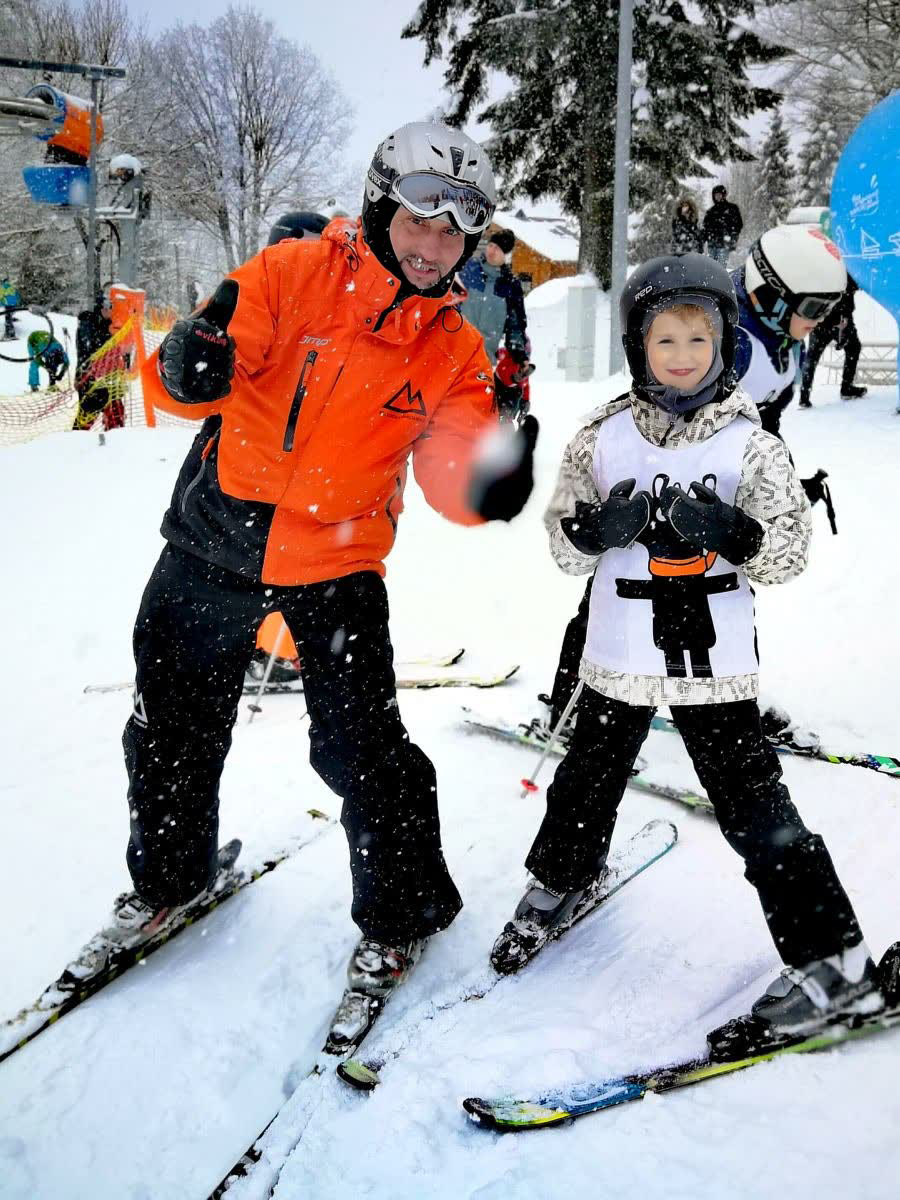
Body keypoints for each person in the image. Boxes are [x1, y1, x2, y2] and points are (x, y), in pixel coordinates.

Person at [95, 122, 538, 1034]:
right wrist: (187, 365)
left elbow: (453, 481)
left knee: (362, 753)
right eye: (420, 218)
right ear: (381, 205)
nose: (433, 245)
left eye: (455, 230)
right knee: (171, 728)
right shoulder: (293, 275)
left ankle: (402, 916)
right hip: (211, 540)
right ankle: (170, 881)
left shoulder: (452, 346)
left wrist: (492, 477)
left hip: (335, 565)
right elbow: (188, 379)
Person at [493, 253, 883, 1037]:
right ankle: (559, 880)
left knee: (752, 804)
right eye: (663, 340)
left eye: (697, 341)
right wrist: (593, 530)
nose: (680, 357)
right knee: (588, 775)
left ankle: (833, 964)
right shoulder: (601, 438)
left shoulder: (750, 446)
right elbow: (563, 546)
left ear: (722, 344)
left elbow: (788, 555)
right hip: (620, 649)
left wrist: (738, 534)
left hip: (714, 663)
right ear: (639, 347)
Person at [536, 225, 848, 734]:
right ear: (772, 296)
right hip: (661, 488)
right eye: (811, 309)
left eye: (826, 311)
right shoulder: (733, 341)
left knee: (724, 595)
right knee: (614, 587)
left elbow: (759, 423)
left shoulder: (778, 343)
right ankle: (574, 700)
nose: (817, 323)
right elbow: (669, 406)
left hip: (715, 498)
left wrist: (779, 482)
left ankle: (727, 696)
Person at [459, 228, 531, 422]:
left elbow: (515, 326)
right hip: (456, 352)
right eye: (490, 245)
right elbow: (451, 305)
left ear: (506, 255)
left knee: (482, 413)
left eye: (498, 249)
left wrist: (520, 355)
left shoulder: (510, 286)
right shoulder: (468, 271)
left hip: (486, 358)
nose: (491, 250)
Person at [799, 275, 867, 407]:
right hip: (840, 320)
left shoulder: (823, 270)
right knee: (853, 348)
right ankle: (846, 387)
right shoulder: (845, 268)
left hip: (820, 320)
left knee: (812, 357)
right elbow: (856, 284)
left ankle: (804, 396)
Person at [73, 299, 114, 430]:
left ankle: (112, 435)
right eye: (111, 310)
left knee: (109, 403)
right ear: (104, 309)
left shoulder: (101, 323)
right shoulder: (88, 323)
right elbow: (90, 346)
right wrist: (108, 333)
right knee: (89, 408)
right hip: (87, 372)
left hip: (100, 372)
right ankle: (76, 437)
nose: (113, 314)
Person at [702, 185, 743, 266]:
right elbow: (705, 228)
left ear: (724, 195)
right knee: (711, 268)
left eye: (719, 195)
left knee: (721, 267)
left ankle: (720, 278)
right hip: (712, 244)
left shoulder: (732, 208)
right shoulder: (710, 211)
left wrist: (732, 238)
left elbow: (738, 225)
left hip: (725, 244)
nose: (717, 197)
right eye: (715, 195)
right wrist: (703, 240)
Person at [0, 277, 23, 341]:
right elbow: (17, 295)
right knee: (10, 314)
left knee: (8, 317)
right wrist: (17, 301)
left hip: (7, 304)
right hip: (13, 304)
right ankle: (11, 330)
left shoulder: (2, 288)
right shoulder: (12, 287)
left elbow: (1, 297)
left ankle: (10, 334)